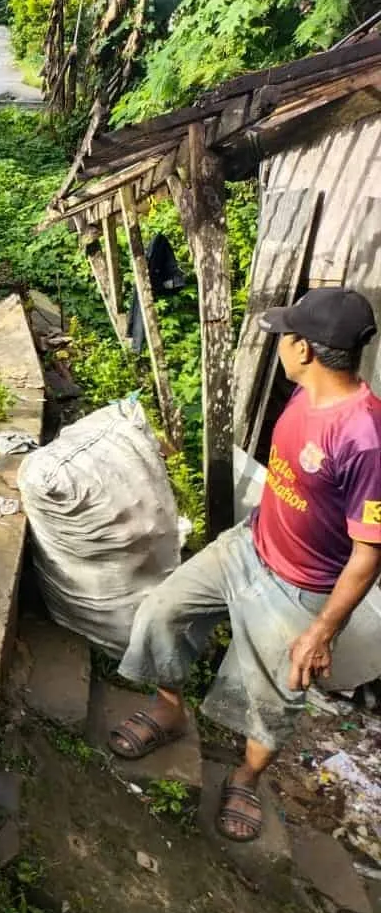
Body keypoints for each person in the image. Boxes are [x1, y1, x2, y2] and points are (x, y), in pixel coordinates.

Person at [109, 287, 381, 842]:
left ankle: (246, 778)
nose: (280, 344)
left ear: (304, 348)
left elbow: (371, 550)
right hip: (249, 546)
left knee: (272, 697)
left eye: (286, 335)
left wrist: (322, 630)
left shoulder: (366, 437)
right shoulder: (303, 395)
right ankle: (169, 708)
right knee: (161, 612)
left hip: (301, 587)